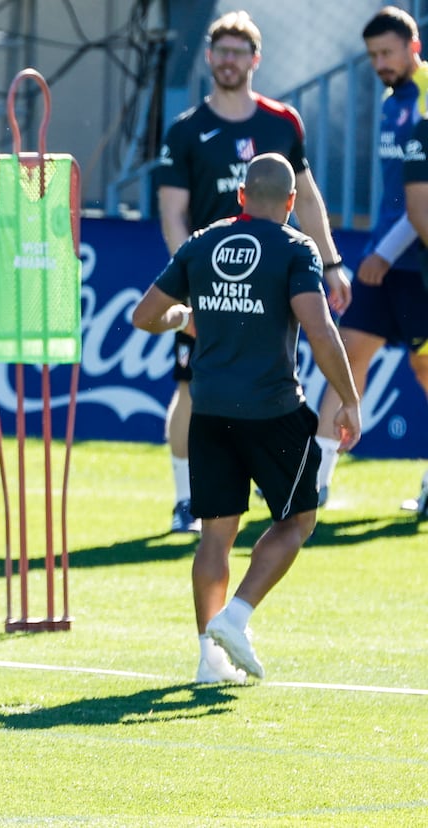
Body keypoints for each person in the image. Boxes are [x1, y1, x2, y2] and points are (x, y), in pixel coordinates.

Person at [132, 153, 361, 683]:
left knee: (215, 537)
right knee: (298, 520)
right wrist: (348, 398)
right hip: (273, 410)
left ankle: (208, 662)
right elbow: (321, 330)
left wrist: (185, 316)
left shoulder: (203, 241)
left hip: (208, 410)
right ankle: (235, 616)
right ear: (289, 202)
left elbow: (145, 317)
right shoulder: (296, 247)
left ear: (240, 197)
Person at [154, 10, 349, 534]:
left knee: (279, 377)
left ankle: (271, 478)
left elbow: (305, 198)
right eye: (220, 51)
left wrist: (330, 264)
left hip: (276, 277)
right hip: (214, 283)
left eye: (239, 52)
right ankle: (183, 498)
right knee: (192, 387)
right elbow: (173, 212)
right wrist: (189, 287)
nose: (228, 60)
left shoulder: (282, 122)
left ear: (255, 60)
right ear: (210, 58)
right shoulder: (187, 130)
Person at [317, 6, 428, 517]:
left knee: (425, 369)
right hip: (382, 258)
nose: (379, 63)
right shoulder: (391, 102)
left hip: (414, 262)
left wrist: (386, 251)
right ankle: (313, 480)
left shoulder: (426, 99)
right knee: (346, 357)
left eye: (387, 53)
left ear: (414, 46)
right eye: (372, 56)